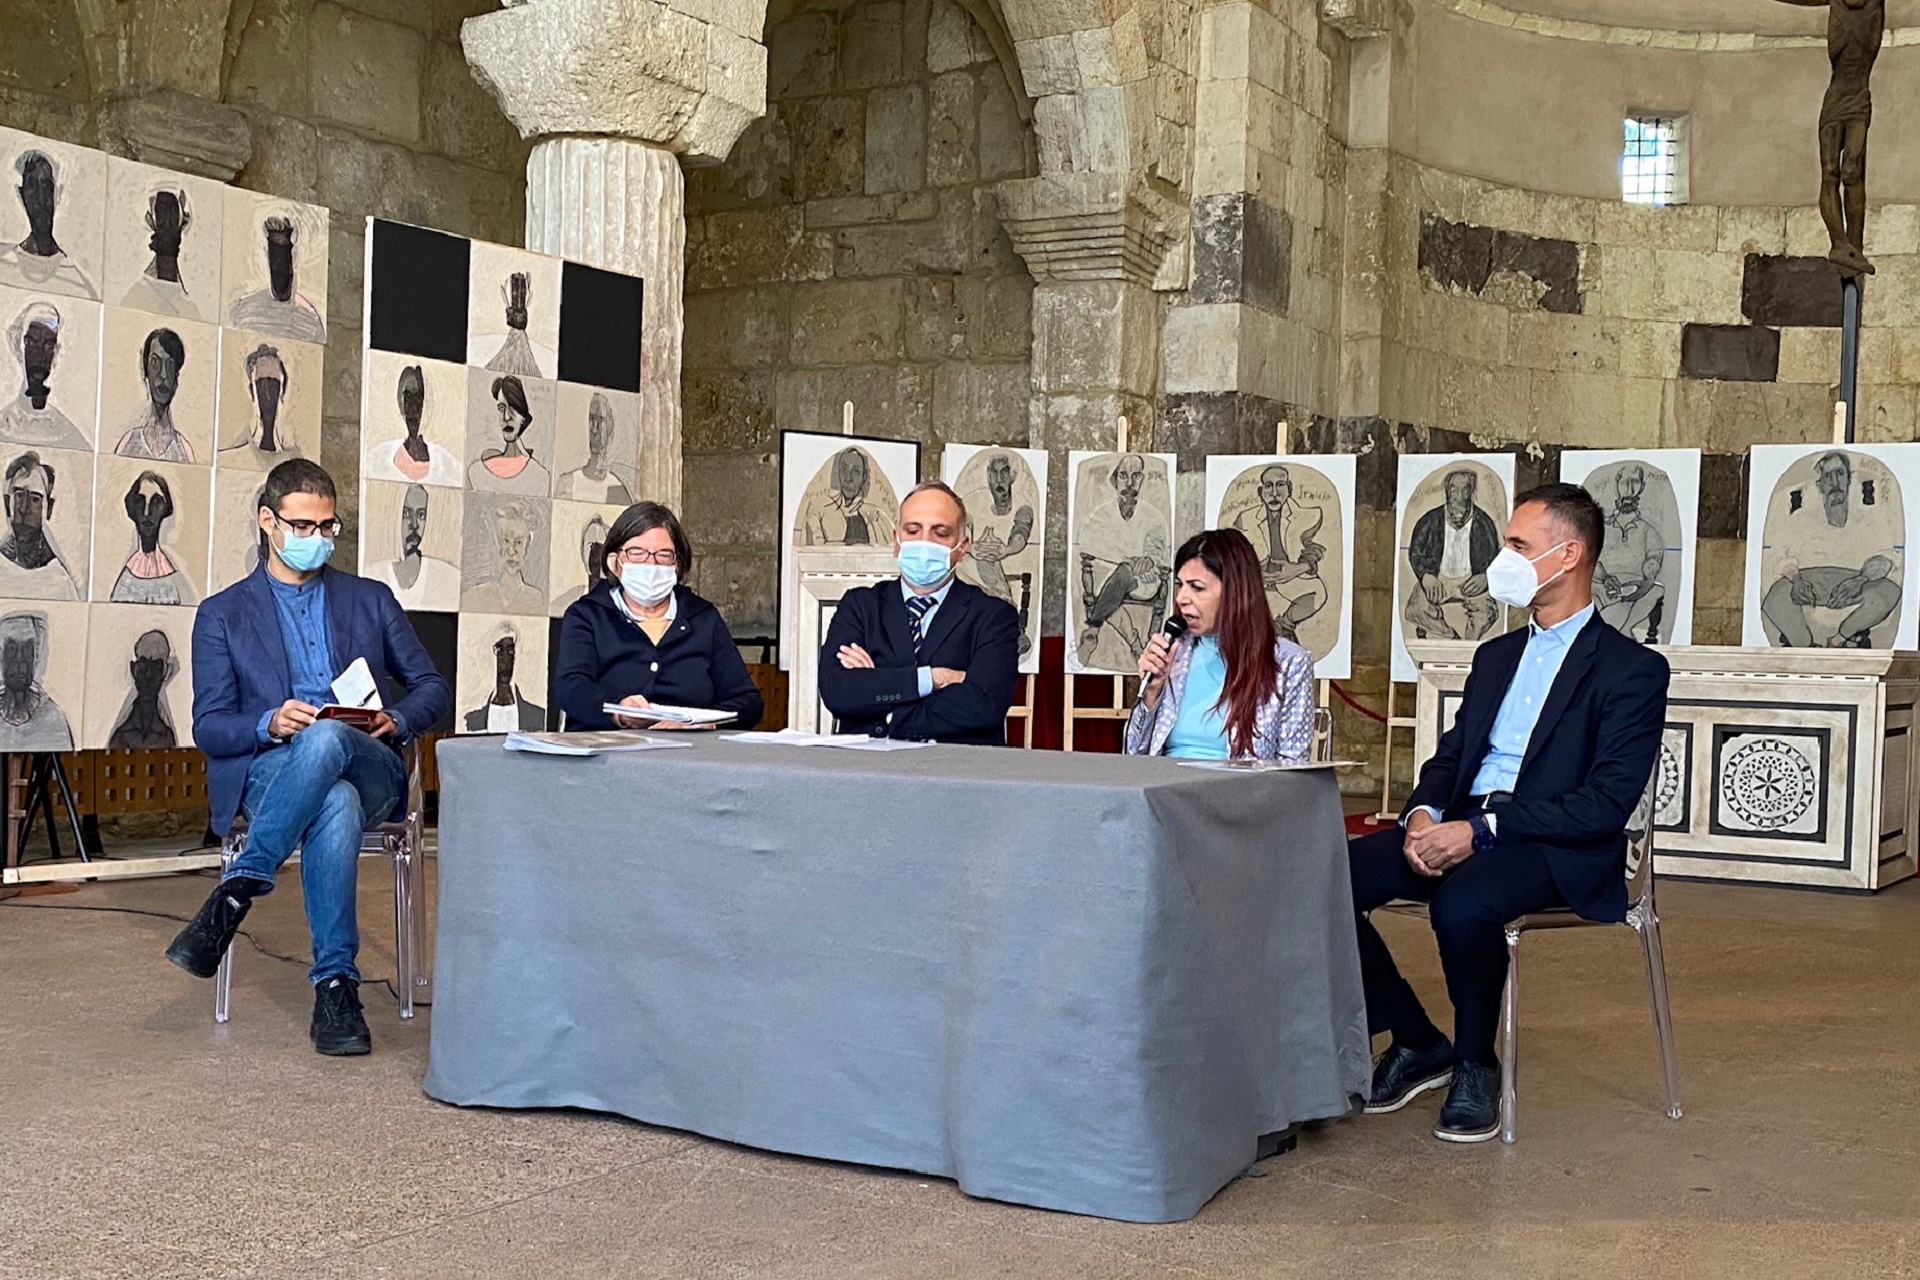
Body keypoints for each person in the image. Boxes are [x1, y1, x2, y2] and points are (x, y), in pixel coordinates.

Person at [1349, 483, 1669, 1143]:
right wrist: (1422, 815)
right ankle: (1415, 1039)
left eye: (1519, 545)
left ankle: (1474, 1064)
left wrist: (1482, 832)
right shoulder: (1495, 658)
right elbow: (1452, 755)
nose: (1504, 558)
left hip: (1555, 844)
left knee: (1463, 902)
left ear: (1569, 554)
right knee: (1324, 876)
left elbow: (1605, 803)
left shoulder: (1631, 671)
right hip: (1462, 820)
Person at [167, 459, 450, 1057]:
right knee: (334, 799)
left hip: (370, 759)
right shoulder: (222, 614)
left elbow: (432, 687)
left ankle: (238, 889)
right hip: (275, 769)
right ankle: (336, 987)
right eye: (302, 526)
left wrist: (393, 720)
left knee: (329, 744)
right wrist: (269, 721)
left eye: (327, 527)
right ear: (267, 522)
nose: (316, 539)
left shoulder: (370, 599)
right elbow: (211, 729)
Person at [818, 482, 1019, 745]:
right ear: (896, 541)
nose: (924, 542)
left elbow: (984, 705)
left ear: (962, 547)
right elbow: (839, 691)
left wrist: (886, 709)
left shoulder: (994, 616)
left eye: (940, 532)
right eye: (913, 530)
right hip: (866, 773)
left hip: (955, 774)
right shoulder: (859, 606)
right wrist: (933, 678)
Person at [554, 501, 764, 731]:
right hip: (607, 755)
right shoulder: (587, 616)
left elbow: (748, 701)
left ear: (678, 565)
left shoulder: (703, 618)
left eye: (664, 555)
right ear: (615, 563)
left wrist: (707, 723)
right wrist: (620, 711)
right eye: (637, 553)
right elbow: (571, 689)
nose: (651, 563)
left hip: (687, 756)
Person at [1125, 528, 1317, 761]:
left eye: (1196, 587)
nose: (1181, 598)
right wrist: (1151, 691)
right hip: (1165, 789)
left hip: (1239, 792)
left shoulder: (1289, 662)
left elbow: (1292, 767)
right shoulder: (1175, 650)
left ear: (1235, 591)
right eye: (1180, 585)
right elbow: (1132, 756)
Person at [1404, 467, 1500, 641]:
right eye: (1454, 491)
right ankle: (1449, 636)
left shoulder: (1484, 523)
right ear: (1447, 492)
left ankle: (1468, 648)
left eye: (1465, 491)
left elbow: (1496, 557)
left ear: (1471, 493)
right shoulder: (1430, 520)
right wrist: (1426, 576)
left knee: (1487, 613)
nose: (1459, 497)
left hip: (1471, 582)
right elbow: (1416, 552)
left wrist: (1485, 577)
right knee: (1414, 609)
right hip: (1439, 580)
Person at [0, 450, 80, 600]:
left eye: (35, 499)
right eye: (18, 496)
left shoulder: (60, 583)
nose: (24, 509)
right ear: (6, 504)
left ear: (48, 508)